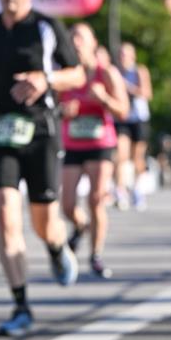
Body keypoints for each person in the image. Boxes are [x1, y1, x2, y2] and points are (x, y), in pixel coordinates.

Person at [0, 0, 84, 337]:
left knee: (44, 222)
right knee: (5, 214)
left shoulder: (47, 28)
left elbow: (78, 73)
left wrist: (44, 79)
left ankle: (56, 248)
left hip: (41, 132)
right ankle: (21, 306)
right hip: (1, 129)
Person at [59, 23, 128, 279]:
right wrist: (64, 112)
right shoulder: (65, 76)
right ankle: (81, 225)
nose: (75, 42)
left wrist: (104, 99)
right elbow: (52, 108)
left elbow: (124, 110)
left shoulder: (106, 73)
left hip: (100, 144)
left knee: (96, 199)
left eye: (80, 37)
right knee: (67, 205)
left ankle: (96, 254)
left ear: (92, 43)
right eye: (71, 37)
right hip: (73, 144)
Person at [114, 42, 153, 210]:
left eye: (126, 54)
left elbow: (146, 93)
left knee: (137, 157)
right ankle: (121, 191)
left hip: (138, 117)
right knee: (120, 155)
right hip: (122, 117)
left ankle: (137, 191)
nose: (123, 58)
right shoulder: (115, 72)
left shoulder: (139, 71)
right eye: (121, 54)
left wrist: (127, 87)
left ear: (132, 56)